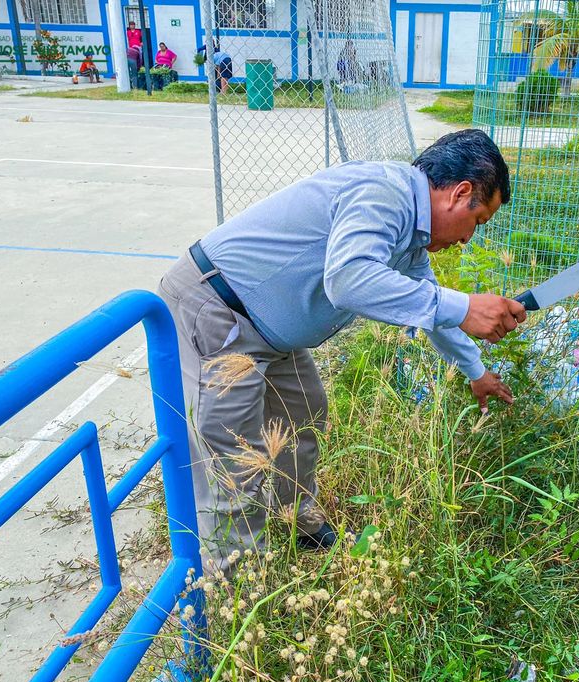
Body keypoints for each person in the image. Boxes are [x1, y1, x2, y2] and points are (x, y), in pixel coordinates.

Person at [157, 130, 524, 574]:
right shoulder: (384, 193)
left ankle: (297, 517)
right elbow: (349, 280)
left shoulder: (410, 236)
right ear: (460, 193)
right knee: (234, 457)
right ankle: (237, 583)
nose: (468, 238)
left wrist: (475, 371)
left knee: (304, 413)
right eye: (478, 220)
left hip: (269, 328)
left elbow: (429, 309)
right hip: (220, 309)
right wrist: (465, 306)